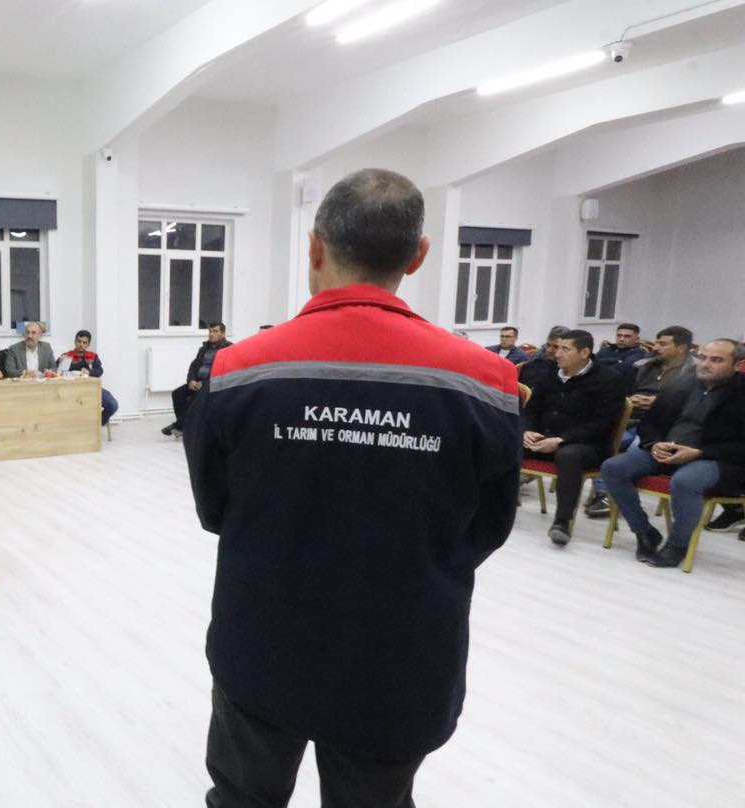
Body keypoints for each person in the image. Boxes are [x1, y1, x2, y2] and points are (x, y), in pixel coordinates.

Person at [186, 168, 519, 808]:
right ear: (418, 256)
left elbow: (215, 506)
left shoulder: (238, 370)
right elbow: (487, 526)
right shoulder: (487, 381)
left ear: (315, 247)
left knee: (243, 798)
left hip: (263, 636)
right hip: (401, 651)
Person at [599, 338, 745, 567]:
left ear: (737, 365)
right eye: (703, 358)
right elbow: (649, 424)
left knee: (685, 481)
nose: (706, 364)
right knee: (613, 468)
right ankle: (644, 532)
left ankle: (677, 545)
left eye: (716, 360)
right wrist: (654, 443)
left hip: (718, 459)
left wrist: (698, 453)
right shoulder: (680, 384)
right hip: (668, 450)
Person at [521, 329, 629, 545]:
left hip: (588, 445)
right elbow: (530, 409)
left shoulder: (609, 380)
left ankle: (562, 522)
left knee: (568, 456)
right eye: (557, 348)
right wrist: (527, 430)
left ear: (584, 352)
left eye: (565, 349)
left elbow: (603, 423)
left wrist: (560, 440)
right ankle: (491, 505)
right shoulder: (550, 374)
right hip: (545, 438)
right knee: (503, 442)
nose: (557, 353)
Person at [584, 325, 696, 517]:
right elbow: (620, 392)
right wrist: (629, 399)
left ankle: (612, 496)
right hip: (631, 419)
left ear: (682, 348)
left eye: (663, 344)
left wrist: (658, 402)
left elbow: (693, 406)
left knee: (635, 449)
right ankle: (603, 493)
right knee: (602, 441)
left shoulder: (695, 373)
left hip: (661, 427)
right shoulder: (643, 366)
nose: (656, 347)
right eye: (657, 343)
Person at [161, 322, 232, 436]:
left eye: (215, 331)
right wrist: (191, 380)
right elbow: (194, 366)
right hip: (198, 382)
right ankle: (185, 426)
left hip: (214, 384)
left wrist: (204, 383)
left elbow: (223, 370)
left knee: (197, 396)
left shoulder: (228, 349)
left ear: (223, 334)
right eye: (210, 331)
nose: (211, 334)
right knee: (177, 393)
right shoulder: (203, 348)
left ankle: (179, 426)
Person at [57, 329, 118, 425]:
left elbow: (99, 371)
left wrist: (90, 372)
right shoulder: (66, 355)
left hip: (92, 388)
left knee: (113, 405)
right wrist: (60, 363)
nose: (81, 344)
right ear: (75, 342)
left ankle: (96, 425)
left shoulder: (93, 356)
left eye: (84, 342)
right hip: (70, 389)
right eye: (79, 341)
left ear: (88, 344)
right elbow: (56, 372)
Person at [517, 326, 570, 391]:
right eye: (548, 345)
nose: (549, 350)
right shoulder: (530, 367)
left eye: (556, 347)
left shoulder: (572, 371)